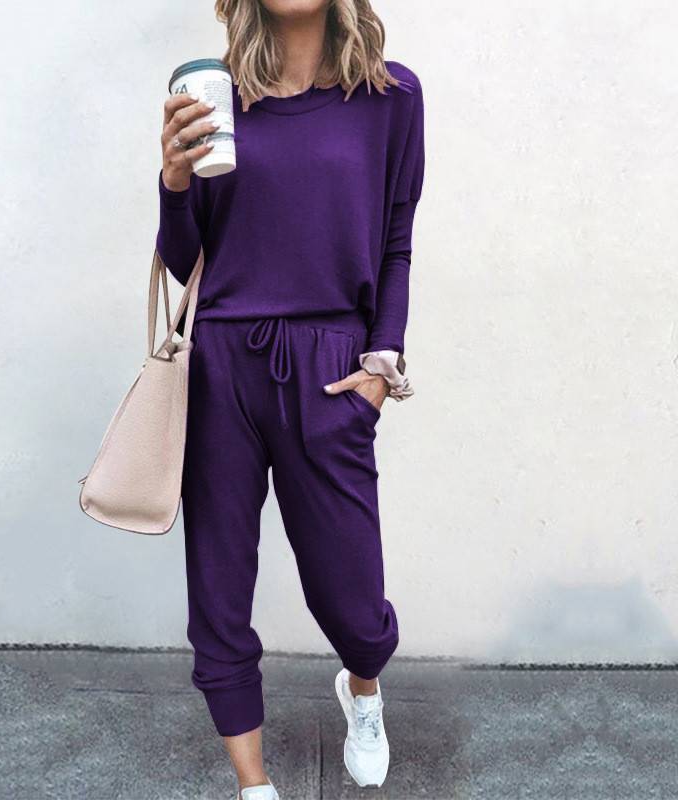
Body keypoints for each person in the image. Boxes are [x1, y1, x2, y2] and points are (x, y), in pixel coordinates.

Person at [156, 1, 424, 797]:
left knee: (353, 600)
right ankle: (254, 785)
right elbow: (184, 263)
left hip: (329, 367)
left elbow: (397, 241)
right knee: (218, 590)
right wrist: (173, 182)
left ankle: (363, 686)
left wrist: (378, 369)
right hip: (222, 364)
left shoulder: (391, 98)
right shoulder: (212, 94)